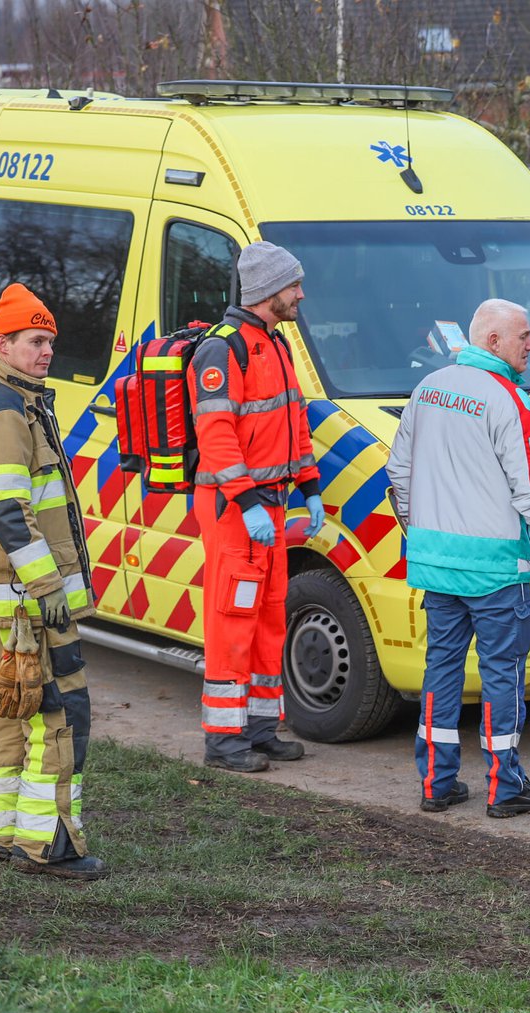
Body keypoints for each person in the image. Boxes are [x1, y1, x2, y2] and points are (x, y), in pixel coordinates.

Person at [0, 283, 108, 880]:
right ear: (2, 343)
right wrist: (47, 589)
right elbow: (9, 510)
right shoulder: (8, 407)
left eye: (50, 343)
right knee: (60, 716)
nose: (46, 353)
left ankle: (9, 834)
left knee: (11, 709)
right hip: (23, 602)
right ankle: (49, 847)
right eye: (35, 342)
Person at [388, 298, 530, 818]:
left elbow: (398, 476)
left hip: (437, 567)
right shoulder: (510, 401)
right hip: (496, 573)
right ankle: (504, 787)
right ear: (493, 340)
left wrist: (420, 536)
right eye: (524, 336)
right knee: (501, 676)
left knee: (441, 670)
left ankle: (436, 783)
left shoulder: (428, 388)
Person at [189, 241, 322, 773]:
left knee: (268, 619)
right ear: (270, 290)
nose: (301, 294)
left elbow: (294, 422)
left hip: (270, 508)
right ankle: (223, 740)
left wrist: (309, 487)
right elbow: (216, 434)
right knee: (231, 621)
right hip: (235, 510)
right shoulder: (223, 349)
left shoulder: (274, 343)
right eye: (294, 285)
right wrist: (246, 502)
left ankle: (261, 729)